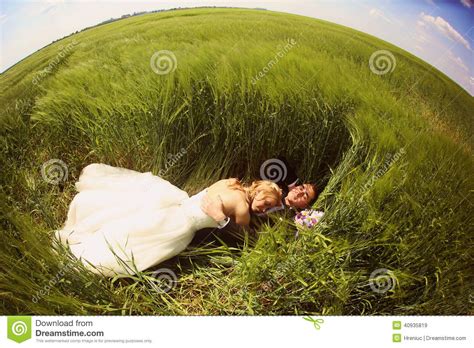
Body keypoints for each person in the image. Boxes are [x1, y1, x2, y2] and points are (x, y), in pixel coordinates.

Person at [55, 163, 282, 276]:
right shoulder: (242, 208)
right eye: (267, 203)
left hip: (176, 204)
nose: (264, 209)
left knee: (134, 223)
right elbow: (243, 240)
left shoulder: (230, 181)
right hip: (181, 226)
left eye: (269, 208)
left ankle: (93, 239)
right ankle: (91, 254)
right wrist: (224, 218)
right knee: (141, 238)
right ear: (260, 190)